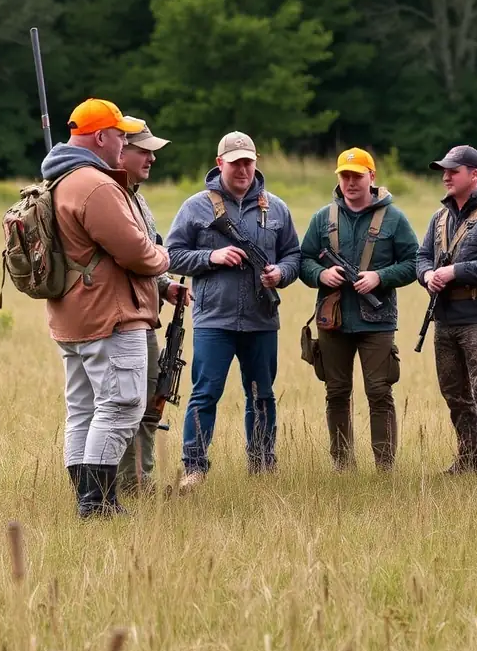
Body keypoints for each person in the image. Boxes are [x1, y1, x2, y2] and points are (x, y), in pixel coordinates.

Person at [40, 99, 170, 518]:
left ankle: (88, 498)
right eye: (120, 136)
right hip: (109, 315)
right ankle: (96, 503)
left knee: (83, 409)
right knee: (121, 405)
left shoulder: (59, 179)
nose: (124, 144)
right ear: (101, 137)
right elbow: (135, 251)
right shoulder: (95, 185)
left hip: (74, 316)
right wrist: (162, 259)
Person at [166, 132, 300, 487]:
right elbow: (171, 255)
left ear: (256, 163)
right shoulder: (196, 206)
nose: (243, 169)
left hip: (262, 318)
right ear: (220, 162)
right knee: (205, 392)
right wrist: (211, 256)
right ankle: (194, 467)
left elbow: (294, 256)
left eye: (248, 162)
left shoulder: (277, 208)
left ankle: (262, 463)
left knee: (262, 394)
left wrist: (280, 273)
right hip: (214, 318)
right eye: (236, 162)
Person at [299, 148, 418, 470]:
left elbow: (414, 263)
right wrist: (320, 274)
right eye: (345, 176)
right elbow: (303, 260)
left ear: (372, 177)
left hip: (377, 321)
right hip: (333, 319)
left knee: (379, 391)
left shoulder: (394, 218)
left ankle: (384, 465)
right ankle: (342, 462)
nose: (351, 182)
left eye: (357, 176)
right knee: (336, 391)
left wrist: (380, 277)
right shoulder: (323, 218)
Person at [416, 146, 477, 476]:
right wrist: (428, 274)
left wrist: (456, 272)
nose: (445, 175)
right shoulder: (440, 216)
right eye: (443, 170)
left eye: (453, 170)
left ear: (475, 175)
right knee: (454, 393)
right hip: (445, 318)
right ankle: (469, 455)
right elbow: (422, 257)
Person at [117, 121, 190, 495]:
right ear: (120, 150)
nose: (152, 157)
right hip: (124, 318)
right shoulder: (111, 197)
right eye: (143, 150)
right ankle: (131, 487)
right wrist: (161, 264)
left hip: (144, 315)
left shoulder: (137, 198)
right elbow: (138, 256)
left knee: (147, 404)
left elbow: (146, 260)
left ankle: (138, 483)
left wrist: (166, 287)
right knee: (132, 407)